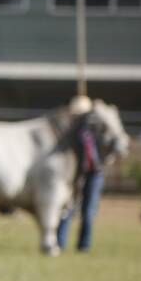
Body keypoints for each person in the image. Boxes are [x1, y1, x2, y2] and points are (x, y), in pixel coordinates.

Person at [58, 98, 105, 253]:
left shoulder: (98, 128)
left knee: (88, 211)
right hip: (74, 173)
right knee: (67, 208)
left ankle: (84, 244)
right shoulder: (69, 132)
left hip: (93, 173)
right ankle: (60, 242)